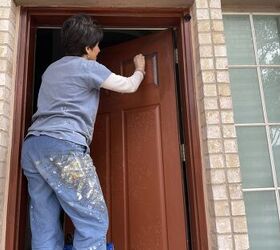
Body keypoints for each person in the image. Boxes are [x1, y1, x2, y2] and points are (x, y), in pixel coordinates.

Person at [21, 14, 145, 250]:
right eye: (97, 45)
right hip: (63, 147)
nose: (99, 50)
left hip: (33, 147)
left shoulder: (50, 70)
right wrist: (139, 69)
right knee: (93, 220)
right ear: (87, 48)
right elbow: (128, 86)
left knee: (44, 223)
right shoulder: (88, 68)